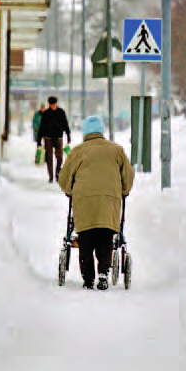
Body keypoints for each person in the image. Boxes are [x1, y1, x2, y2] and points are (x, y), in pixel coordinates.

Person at [58, 115, 134, 291]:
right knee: (106, 236)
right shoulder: (117, 150)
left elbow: (64, 178)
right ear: (101, 131)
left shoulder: (77, 151)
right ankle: (103, 273)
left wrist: (70, 191)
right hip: (110, 200)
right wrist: (123, 191)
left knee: (85, 237)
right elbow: (128, 176)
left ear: (85, 132)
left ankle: (88, 278)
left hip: (84, 201)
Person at [37, 96, 71, 183]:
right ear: (49, 104)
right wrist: (39, 140)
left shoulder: (61, 112)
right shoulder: (46, 114)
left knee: (59, 157)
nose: (53, 106)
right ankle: (51, 177)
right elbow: (41, 127)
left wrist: (68, 135)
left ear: (56, 103)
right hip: (48, 138)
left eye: (54, 104)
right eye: (51, 104)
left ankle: (57, 174)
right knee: (49, 157)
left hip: (58, 137)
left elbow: (65, 124)